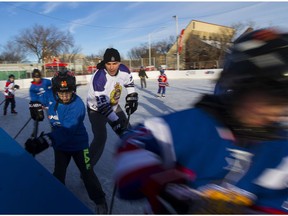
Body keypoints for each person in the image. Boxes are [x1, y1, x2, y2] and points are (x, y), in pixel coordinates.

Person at [113, 28, 288, 214]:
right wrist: (158, 181)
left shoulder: (280, 146)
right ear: (238, 86)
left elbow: (277, 202)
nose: (277, 112)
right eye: (271, 99)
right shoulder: (193, 125)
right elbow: (135, 142)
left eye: (284, 102)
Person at [25, 70, 108, 214]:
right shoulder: (50, 95)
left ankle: (100, 200)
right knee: (58, 173)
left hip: (79, 145)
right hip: (60, 146)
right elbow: (38, 99)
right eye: (61, 93)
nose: (64, 96)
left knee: (88, 174)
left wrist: (44, 141)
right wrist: (34, 106)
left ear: (74, 90)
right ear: (55, 90)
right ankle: (58, 196)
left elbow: (68, 131)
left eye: (68, 92)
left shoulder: (77, 105)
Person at [86, 48, 138, 169]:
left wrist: (132, 96)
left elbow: (129, 83)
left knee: (128, 134)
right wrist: (116, 122)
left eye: (115, 63)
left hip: (113, 106)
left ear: (119, 63)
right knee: (100, 138)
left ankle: (136, 164)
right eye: (108, 64)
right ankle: (86, 168)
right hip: (96, 110)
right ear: (105, 64)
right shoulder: (99, 78)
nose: (112, 67)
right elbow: (103, 106)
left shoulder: (124, 70)